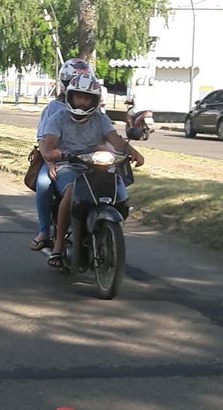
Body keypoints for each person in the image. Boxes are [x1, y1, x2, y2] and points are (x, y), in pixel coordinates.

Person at [38, 72, 144, 268]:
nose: (82, 102)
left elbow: (115, 141)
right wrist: (59, 154)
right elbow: (47, 148)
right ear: (70, 96)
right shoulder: (58, 118)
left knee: (116, 187)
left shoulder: (101, 119)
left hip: (96, 166)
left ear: (94, 100)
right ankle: (58, 247)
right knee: (71, 191)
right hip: (68, 166)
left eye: (87, 98)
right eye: (78, 96)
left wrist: (133, 152)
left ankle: (109, 232)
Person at [31, 58, 93, 251]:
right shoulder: (54, 108)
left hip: (87, 161)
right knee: (43, 183)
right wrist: (49, 162)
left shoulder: (94, 107)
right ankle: (44, 231)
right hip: (58, 160)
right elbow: (42, 139)